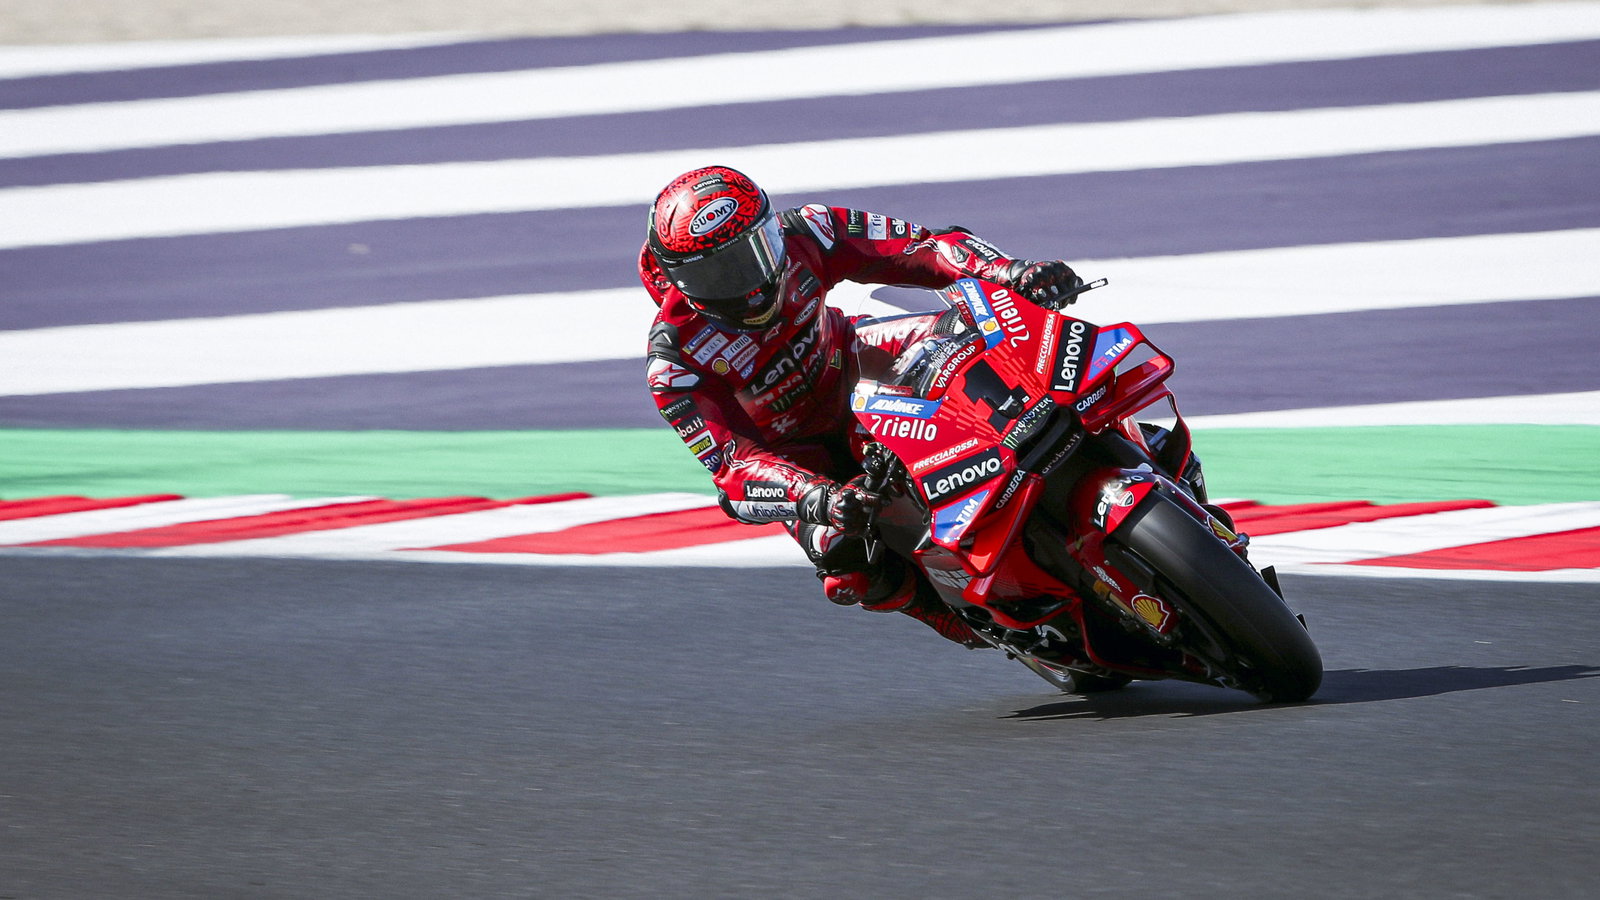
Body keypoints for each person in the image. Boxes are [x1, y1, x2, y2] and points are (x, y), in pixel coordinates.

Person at [640, 165, 1082, 648]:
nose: (746, 280)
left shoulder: (810, 229)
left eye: (754, 252)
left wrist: (1011, 272)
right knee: (841, 558)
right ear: (676, 280)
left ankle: (1146, 446)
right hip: (793, 453)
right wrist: (819, 497)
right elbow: (734, 467)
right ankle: (955, 619)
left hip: (854, 362)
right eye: (718, 272)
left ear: (770, 228)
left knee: (973, 335)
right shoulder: (674, 360)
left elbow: (924, 247)